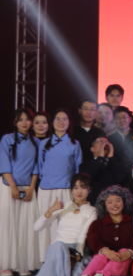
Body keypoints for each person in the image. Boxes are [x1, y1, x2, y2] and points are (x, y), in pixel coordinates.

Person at [3, 174, 95, 276]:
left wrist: (79, 255)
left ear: (90, 189)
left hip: (75, 250)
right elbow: (37, 227)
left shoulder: (92, 211)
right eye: (76, 188)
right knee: (58, 246)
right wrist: (51, 210)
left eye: (83, 187)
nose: (79, 191)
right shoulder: (64, 206)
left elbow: (83, 234)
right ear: (71, 190)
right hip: (57, 249)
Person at [72, 185, 133, 276]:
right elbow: (93, 240)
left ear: (124, 202)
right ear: (104, 205)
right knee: (101, 255)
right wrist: (106, 251)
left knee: (123, 252)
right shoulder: (97, 223)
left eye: (118, 201)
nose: (114, 205)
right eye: (110, 202)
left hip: (123, 260)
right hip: (103, 259)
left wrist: (129, 253)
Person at [36, 109, 83, 260]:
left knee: (65, 225)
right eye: (58, 119)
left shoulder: (75, 144)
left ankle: (65, 259)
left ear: (69, 122)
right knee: (46, 223)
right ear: (52, 122)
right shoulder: (44, 143)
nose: (61, 122)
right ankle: (45, 259)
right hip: (46, 189)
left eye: (64, 119)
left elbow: (78, 168)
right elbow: (40, 166)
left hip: (66, 189)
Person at [1, 108, 40, 276]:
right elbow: (4, 165)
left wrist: (31, 188)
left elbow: (37, 167)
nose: (24, 123)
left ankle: (23, 264)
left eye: (27, 119)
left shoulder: (36, 142)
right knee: (8, 225)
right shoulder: (7, 139)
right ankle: (6, 265)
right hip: (9, 187)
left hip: (28, 188)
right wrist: (13, 187)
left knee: (26, 227)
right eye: (20, 119)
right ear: (15, 122)